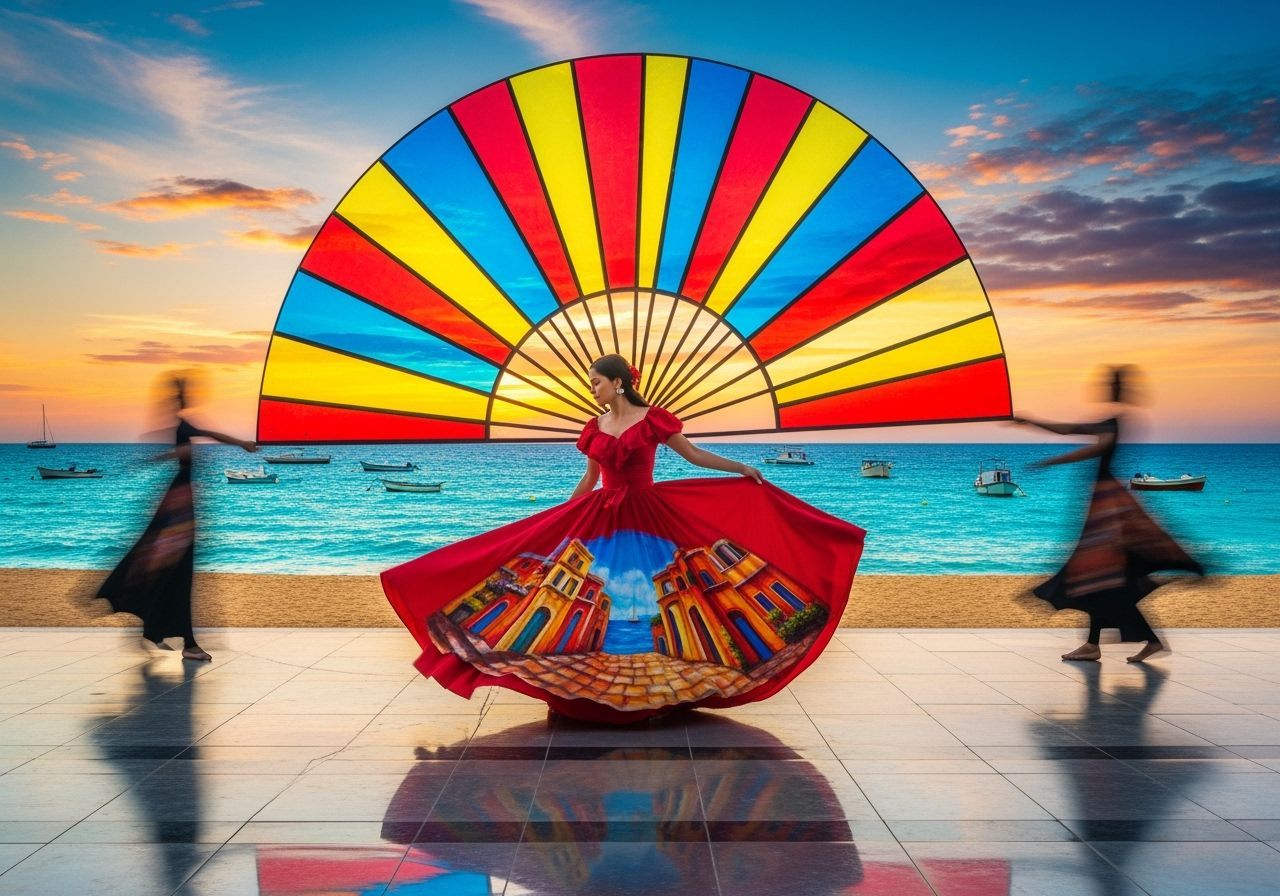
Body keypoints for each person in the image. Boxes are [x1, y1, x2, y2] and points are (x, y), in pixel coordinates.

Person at [382, 354, 866, 723]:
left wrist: (739, 468)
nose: (592, 389)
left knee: (654, 595)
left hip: (649, 512)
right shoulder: (594, 427)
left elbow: (694, 456)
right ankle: (587, 701)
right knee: (594, 588)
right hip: (602, 513)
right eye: (590, 382)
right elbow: (591, 479)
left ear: (618, 382)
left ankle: (658, 699)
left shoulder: (654, 419)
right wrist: (561, 517)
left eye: (596, 381)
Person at [1012, 365, 1203, 663]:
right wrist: (1030, 421)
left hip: (1108, 504)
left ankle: (1113, 641)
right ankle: (1100, 644)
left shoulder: (1114, 422)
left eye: (1112, 384)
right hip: (1101, 500)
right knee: (1099, 576)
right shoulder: (1110, 421)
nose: (1107, 388)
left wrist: (1050, 462)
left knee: (1098, 574)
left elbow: (1094, 450)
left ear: (1120, 388)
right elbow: (1067, 429)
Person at [96, 372, 256, 661]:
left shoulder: (182, 425)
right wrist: (164, 456)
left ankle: (157, 633)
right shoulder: (181, 427)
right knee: (177, 573)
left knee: (173, 572)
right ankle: (185, 643)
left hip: (180, 502)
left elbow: (210, 435)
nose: (185, 398)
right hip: (179, 505)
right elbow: (190, 446)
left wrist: (241, 443)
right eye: (181, 394)